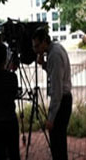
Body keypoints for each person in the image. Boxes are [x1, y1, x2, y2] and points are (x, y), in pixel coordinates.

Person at [32, 27, 72, 160]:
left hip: (62, 101)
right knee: (59, 142)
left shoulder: (54, 55)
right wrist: (44, 64)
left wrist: (51, 117)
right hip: (63, 100)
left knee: (57, 144)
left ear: (44, 41)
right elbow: (55, 75)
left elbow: (57, 90)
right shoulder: (55, 50)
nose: (36, 50)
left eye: (37, 46)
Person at [0, 43, 21, 160]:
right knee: (14, 153)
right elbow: (14, 94)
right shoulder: (12, 77)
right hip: (10, 121)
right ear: (5, 58)